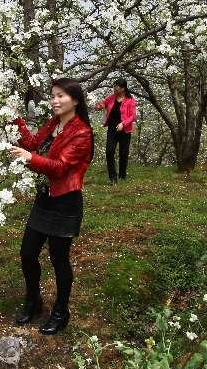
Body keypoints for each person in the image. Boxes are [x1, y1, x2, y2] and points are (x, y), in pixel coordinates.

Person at [8, 78, 95, 334]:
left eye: (61, 96)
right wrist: (15, 120)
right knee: (27, 253)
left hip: (65, 201)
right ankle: (33, 300)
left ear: (75, 100)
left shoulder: (82, 133)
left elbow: (60, 168)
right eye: (53, 96)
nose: (55, 101)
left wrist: (31, 159)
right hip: (44, 198)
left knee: (59, 259)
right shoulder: (53, 124)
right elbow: (33, 144)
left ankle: (60, 311)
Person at [94, 78, 137, 184]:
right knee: (109, 151)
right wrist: (99, 106)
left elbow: (133, 116)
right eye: (114, 88)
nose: (114, 90)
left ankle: (122, 175)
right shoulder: (111, 97)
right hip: (112, 129)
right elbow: (103, 103)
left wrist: (123, 124)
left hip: (125, 130)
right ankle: (112, 177)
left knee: (123, 153)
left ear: (123, 89)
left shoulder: (130, 100)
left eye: (117, 89)